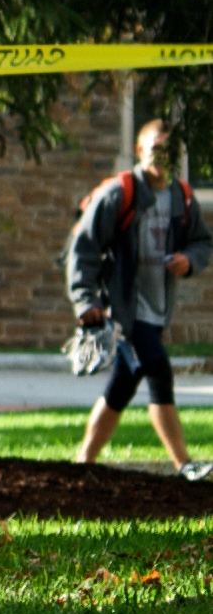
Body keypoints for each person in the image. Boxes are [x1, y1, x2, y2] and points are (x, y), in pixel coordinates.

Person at [68, 116, 209, 479]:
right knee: (159, 372)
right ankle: (184, 465)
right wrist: (86, 301)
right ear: (139, 151)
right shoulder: (119, 193)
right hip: (124, 312)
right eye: (156, 150)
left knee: (121, 387)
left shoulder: (182, 195)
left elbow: (202, 242)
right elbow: (83, 249)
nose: (162, 158)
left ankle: (83, 464)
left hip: (157, 306)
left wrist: (188, 261)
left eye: (170, 152)